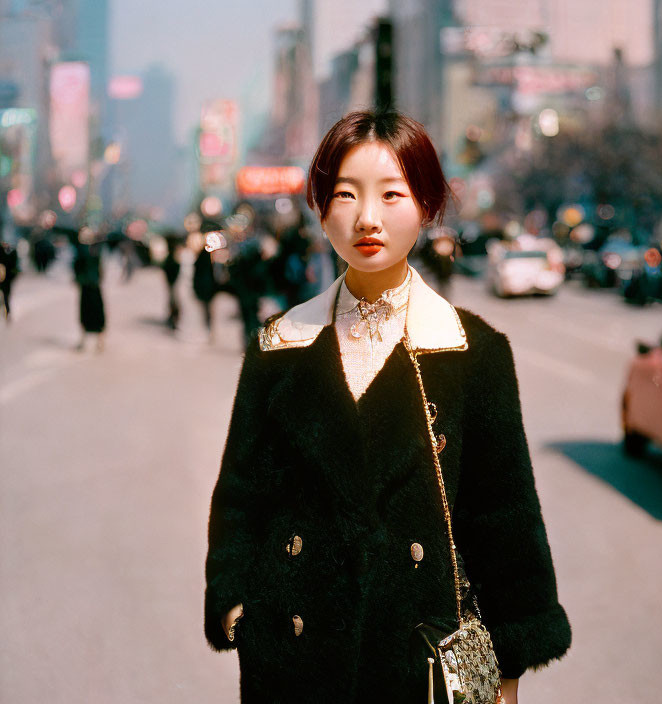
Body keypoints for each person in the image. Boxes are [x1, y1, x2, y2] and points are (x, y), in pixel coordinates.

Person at [204, 110, 571, 703]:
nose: (367, 218)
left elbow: (504, 518)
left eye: (392, 194)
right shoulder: (280, 346)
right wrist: (238, 608)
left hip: (419, 663)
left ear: (425, 205)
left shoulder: (473, 354)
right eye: (345, 195)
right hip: (294, 663)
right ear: (321, 209)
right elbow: (241, 496)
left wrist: (506, 672)